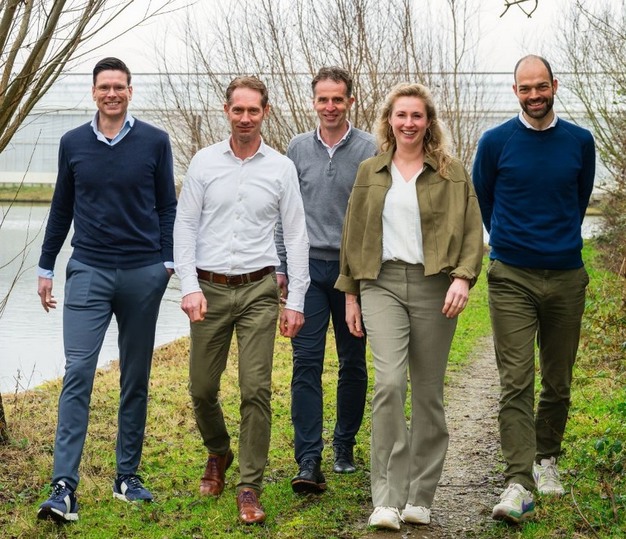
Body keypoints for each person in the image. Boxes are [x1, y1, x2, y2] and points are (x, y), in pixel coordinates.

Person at [336, 82, 483, 531]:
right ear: (389, 121)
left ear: (428, 121)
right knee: (389, 384)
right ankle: (386, 498)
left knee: (428, 393)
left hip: (434, 285)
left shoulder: (451, 172)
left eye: (417, 115)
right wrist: (350, 294)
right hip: (380, 284)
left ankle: (420, 495)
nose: (409, 123)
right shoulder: (370, 170)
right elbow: (353, 234)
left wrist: (463, 277)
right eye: (401, 115)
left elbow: (472, 229)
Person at [36, 57, 177, 522]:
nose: (111, 94)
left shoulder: (155, 141)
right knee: (78, 372)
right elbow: (61, 207)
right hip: (89, 270)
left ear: (130, 91)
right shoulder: (73, 142)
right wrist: (46, 266)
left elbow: (167, 206)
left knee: (134, 376)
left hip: (142, 274)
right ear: (93, 91)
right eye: (104, 87)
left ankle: (126, 477)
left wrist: (166, 263)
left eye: (119, 86)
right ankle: (63, 488)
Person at [173, 76, 310, 525]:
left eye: (253, 110)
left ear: (265, 112)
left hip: (258, 291)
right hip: (209, 289)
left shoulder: (281, 168)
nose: (245, 118)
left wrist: (296, 300)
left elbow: (296, 234)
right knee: (201, 389)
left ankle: (249, 485)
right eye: (238, 110)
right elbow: (185, 226)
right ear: (226, 111)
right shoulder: (204, 162)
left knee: (256, 389)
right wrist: (189, 286)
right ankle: (219, 451)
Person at [472, 55, 595, 524]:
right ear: (515, 91)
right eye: (525, 88)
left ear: (554, 85)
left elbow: (578, 199)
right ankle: (519, 481)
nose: (534, 95)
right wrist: (510, 241)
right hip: (512, 277)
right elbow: (485, 198)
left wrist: (554, 241)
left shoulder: (580, 141)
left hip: (566, 275)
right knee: (516, 380)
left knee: (558, 380)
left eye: (541, 86)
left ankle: (546, 459)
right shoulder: (495, 141)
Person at [275, 67, 376, 494]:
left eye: (338, 99)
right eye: (323, 99)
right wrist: (282, 266)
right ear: (313, 101)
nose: (330, 107)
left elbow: (375, 215)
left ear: (350, 101)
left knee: (353, 361)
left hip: (352, 273)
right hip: (307, 270)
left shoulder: (370, 148)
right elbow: (283, 211)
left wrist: (364, 275)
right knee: (306, 362)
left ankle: (344, 445)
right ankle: (308, 457)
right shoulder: (297, 148)